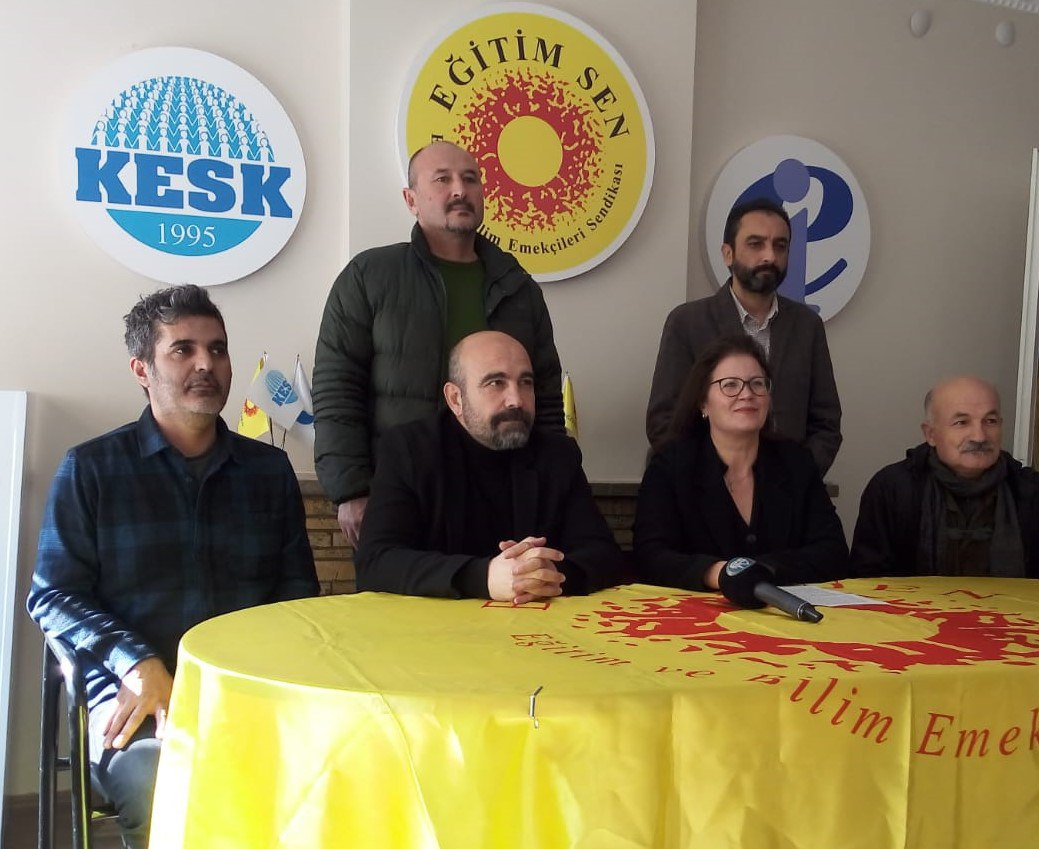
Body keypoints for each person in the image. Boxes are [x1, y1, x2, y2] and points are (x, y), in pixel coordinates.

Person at [27, 285, 319, 849]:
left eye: (218, 349)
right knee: (165, 783)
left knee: (346, 759)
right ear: (142, 369)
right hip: (132, 694)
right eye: (182, 350)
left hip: (249, 687)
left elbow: (296, 594)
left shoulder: (269, 471)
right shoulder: (91, 468)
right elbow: (52, 595)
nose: (206, 364)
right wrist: (136, 662)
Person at [313, 140, 564, 548]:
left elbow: (546, 396)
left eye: (470, 179)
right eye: (442, 179)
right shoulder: (369, 276)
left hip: (504, 500)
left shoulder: (518, 288)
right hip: (400, 495)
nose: (460, 190)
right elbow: (336, 387)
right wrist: (350, 489)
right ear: (411, 199)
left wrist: (556, 486)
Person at [354, 331, 624, 602]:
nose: (516, 400)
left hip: (537, 623)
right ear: (455, 399)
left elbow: (604, 556)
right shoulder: (409, 450)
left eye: (526, 382)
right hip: (437, 625)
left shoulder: (558, 455)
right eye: (496, 383)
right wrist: (483, 577)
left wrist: (547, 573)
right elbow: (375, 563)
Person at [634, 334, 849, 592]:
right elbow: (651, 557)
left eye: (757, 384)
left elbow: (833, 552)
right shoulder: (669, 467)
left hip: (783, 608)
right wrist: (718, 574)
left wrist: (762, 571)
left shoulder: (796, 462)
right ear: (703, 402)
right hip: (697, 612)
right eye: (730, 385)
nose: (747, 394)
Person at [646, 197, 842, 475]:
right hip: (704, 489)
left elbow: (826, 423)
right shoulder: (688, 323)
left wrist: (797, 479)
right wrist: (719, 480)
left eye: (780, 246)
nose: (769, 256)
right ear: (728, 254)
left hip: (789, 491)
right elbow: (663, 421)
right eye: (755, 244)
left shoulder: (807, 326)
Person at [850, 375, 1039, 579]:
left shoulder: (1028, 490)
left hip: (1011, 610)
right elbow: (867, 580)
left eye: (990, 421)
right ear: (930, 434)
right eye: (962, 422)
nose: (979, 436)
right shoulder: (893, 488)